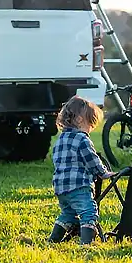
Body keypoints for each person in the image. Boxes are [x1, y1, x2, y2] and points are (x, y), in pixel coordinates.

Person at [49, 96, 115, 246]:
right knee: (88, 212)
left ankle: (53, 241)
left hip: (60, 187)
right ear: (79, 120)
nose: (90, 130)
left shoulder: (60, 140)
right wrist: (103, 173)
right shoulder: (82, 139)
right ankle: (86, 244)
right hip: (78, 186)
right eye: (90, 124)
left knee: (68, 214)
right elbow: (91, 159)